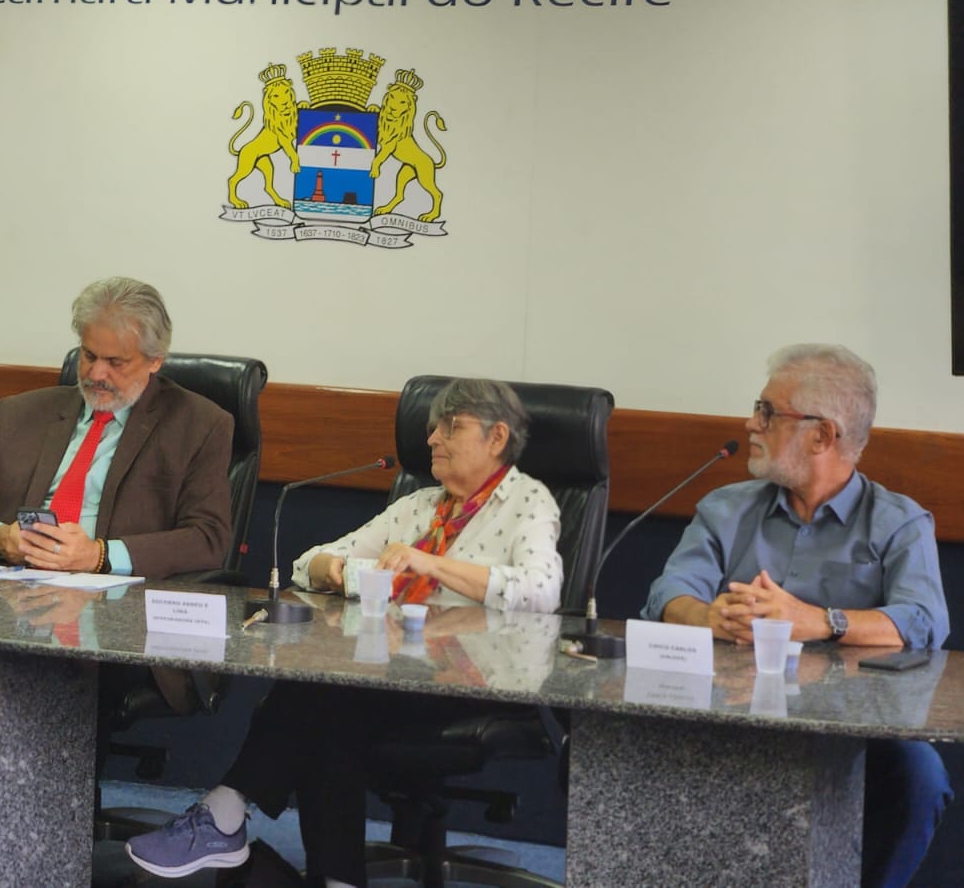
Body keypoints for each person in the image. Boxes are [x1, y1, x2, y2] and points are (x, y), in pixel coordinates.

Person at [126, 378, 563, 886]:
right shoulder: (420, 506)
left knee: (321, 700)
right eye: (432, 429)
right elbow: (307, 561)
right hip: (396, 673)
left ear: (496, 437)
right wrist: (330, 570)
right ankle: (322, 870)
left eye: (451, 427)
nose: (432, 439)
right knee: (327, 706)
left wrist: (431, 564)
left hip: (479, 677)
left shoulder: (527, 502)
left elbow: (541, 591)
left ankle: (224, 814)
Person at [640, 343, 950, 887]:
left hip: (857, 720)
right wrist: (708, 616)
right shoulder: (726, 508)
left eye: (767, 412)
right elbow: (668, 592)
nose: (750, 424)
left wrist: (821, 621)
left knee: (920, 773)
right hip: (728, 707)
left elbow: (923, 621)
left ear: (822, 435)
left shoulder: (899, 523)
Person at [0, 276, 233, 579]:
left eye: (115, 362)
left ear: (155, 361)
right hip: (13, 586)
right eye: (89, 356)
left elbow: (207, 538)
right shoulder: (20, 414)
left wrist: (99, 556)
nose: (96, 374)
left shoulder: (198, 426)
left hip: (115, 596)